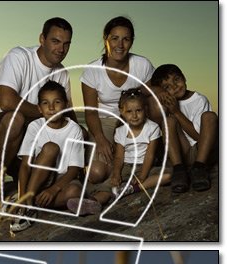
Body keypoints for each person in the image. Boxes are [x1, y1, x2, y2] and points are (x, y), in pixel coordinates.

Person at [0, 18, 74, 208]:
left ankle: (27, 193)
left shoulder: (62, 73)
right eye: (55, 41)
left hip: (26, 137)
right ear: (42, 39)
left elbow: (67, 113)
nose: (61, 49)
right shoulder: (19, 56)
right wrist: (44, 113)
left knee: (65, 142)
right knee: (16, 119)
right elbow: (6, 101)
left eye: (66, 44)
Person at [68, 88, 170, 217]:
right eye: (129, 111)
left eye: (138, 110)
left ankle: (132, 189)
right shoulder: (121, 131)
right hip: (127, 166)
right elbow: (119, 157)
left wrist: (143, 176)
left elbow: (150, 155)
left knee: (168, 175)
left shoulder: (152, 128)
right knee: (110, 185)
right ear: (122, 112)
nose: (134, 115)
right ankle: (93, 202)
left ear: (145, 109)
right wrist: (116, 173)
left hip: (146, 166)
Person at [80, 17, 154, 184]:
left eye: (126, 39)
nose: (120, 45)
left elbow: (152, 94)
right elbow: (90, 113)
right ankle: (115, 162)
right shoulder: (92, 71)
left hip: (133, 119)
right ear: (106, 39)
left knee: (157, 105)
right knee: (96, 173)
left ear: (131, 42)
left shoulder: (142, 64)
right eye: (115, 38)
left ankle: (158, 150)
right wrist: (100, 139)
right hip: (105, 120)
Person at [11, 81, 84, 232]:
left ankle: (35, 205)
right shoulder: (35, 127)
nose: (51, 108)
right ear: (39, 108)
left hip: (60, 180)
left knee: (75, 192)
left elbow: (73, 169)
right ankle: (27, 201)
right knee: (51, 148)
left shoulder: (74, 130)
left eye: (57, 102)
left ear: (65, 105)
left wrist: (54, 190)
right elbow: (25, 165)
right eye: (46, 103)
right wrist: (22, 194)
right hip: (38, 179)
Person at [149, 64, 218, 193]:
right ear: (163, 92)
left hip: (202, 150)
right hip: (184, 152)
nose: (175, 87)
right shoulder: (167, 103)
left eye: (176, 80)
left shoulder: (199, 100)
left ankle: (199, 168)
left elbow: (199, 136)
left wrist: (176, 112)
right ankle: (179, 170)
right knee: (168, 121)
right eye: (167, 87)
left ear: (184, 78)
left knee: (210, 116)